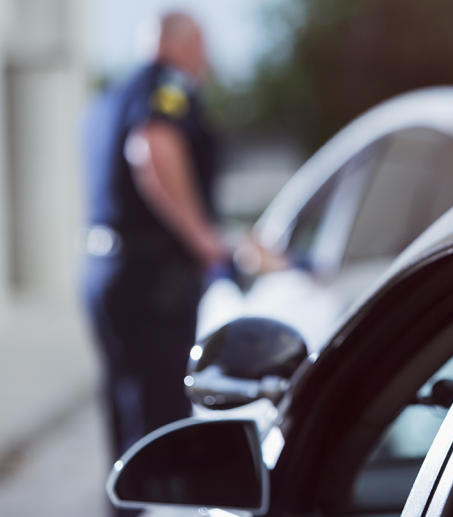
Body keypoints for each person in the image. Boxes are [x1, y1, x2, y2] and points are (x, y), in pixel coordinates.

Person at [81, 10, 226, 490]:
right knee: (161, 418)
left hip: (104, 268)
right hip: (152, 277)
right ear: (180, 43)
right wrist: (202, 238)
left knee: (125, 411)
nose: (206, 59)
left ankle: (124, 504)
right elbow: (153, 146)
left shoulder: (111, 95)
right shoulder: (168, 84)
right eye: (202, 45)